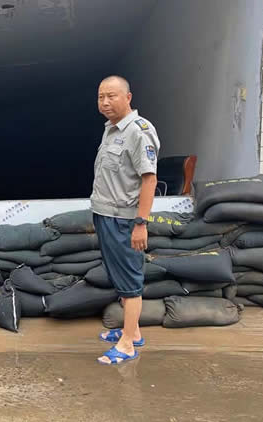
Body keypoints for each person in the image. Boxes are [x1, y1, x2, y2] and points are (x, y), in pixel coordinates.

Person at [91, 76, 160, 365]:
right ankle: (134, 331)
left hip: (124, 220)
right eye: (101, 97)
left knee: (130, 281)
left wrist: (140, 223)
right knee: (119, 277)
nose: (105, 102)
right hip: (106, 215)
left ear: (128, 97)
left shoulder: (139, 131)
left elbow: (149, 179)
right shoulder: (111, 129)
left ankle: (128, 345)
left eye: (112, 96)